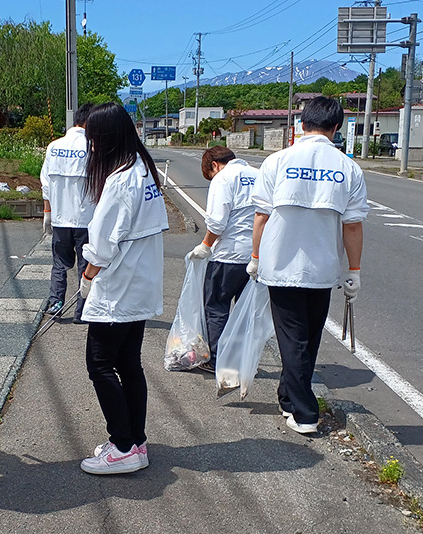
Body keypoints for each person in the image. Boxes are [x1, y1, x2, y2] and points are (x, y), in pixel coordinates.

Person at [248, 96, 368, 434]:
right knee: (308, 337)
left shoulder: (277, 161)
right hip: (323, 267)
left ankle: (304, 413)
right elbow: (353, 225)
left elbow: (261, 216)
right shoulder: (348, 167)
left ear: (302, 124)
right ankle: (289, 398)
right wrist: (354, 271)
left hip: (280, 264)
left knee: (292, 339)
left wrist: (255, 258)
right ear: (336, 128)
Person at [77, 102, 169, 475]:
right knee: (127, 363)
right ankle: (136, 441)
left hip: (119, 286)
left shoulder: (119, 180)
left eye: (94, 139)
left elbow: (100, 246)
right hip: (140, 282)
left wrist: (85, 278)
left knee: (99, 364)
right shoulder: (143, 168)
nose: (92, 147)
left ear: (107, 138)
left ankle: (123, 446)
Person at [188, 146, 259, 373]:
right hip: (257, 256)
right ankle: (244, 360)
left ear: (214, 166)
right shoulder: (258, 174)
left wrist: (205, 245)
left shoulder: (223, 178)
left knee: (217, 307)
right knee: (246, 312)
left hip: (229, 255)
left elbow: (217, 222)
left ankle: (218, 360)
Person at [40, 103, 95, 323]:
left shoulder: (54, 147)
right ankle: (82, 311)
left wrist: (47, 212)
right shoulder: (92, 148)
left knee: (59, 264)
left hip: (61, 218)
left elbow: (45, 182)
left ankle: (55, 304)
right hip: (86, 219)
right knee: (86, 265)